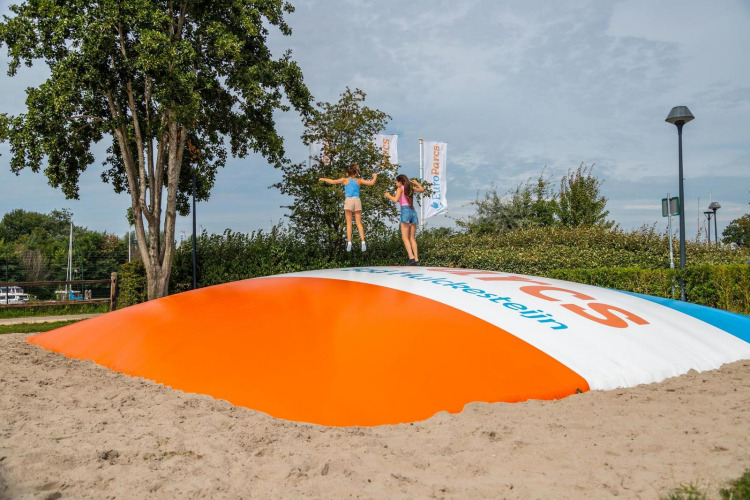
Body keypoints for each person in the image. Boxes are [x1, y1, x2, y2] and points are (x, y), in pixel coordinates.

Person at [319, 164, 377, 251]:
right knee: (358, 222)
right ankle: (363, 242)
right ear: (356, 172)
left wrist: (323, 179)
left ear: (347, 173)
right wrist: (375, 176)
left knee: (349, 223)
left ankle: (349, 242)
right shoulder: (359, 180)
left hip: (349, 201)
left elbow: (333, 181)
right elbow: (371, 183)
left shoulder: (345, 180)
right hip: (357, 201)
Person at [385, 174, 424, 265]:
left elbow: (395, 200)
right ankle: (416, 259)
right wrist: (417, 183)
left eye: (396, 181)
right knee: (412, 238)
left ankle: (411, 257)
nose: (395, 183)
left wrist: (388, 195)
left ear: (400, 182)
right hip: (413, 211)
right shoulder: (410, 188)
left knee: (404, 237)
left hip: (405, 211)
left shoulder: (399, 189)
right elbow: (422, 190)